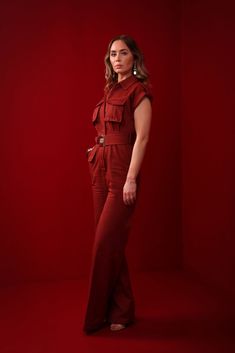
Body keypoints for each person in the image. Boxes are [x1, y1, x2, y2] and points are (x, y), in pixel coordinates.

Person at [83, 34, 153, 334]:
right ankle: (123, 310)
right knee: (109, 244)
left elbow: (143, 138)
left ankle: (96, 315)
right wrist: (94, 150)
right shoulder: (110, 90)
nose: (117, 59)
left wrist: (131, 179)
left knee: (103, 245)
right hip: (100, 166)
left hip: (122, 169)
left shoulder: (140, 92)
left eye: (123, 53)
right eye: (113, 54)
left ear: (134, 58)